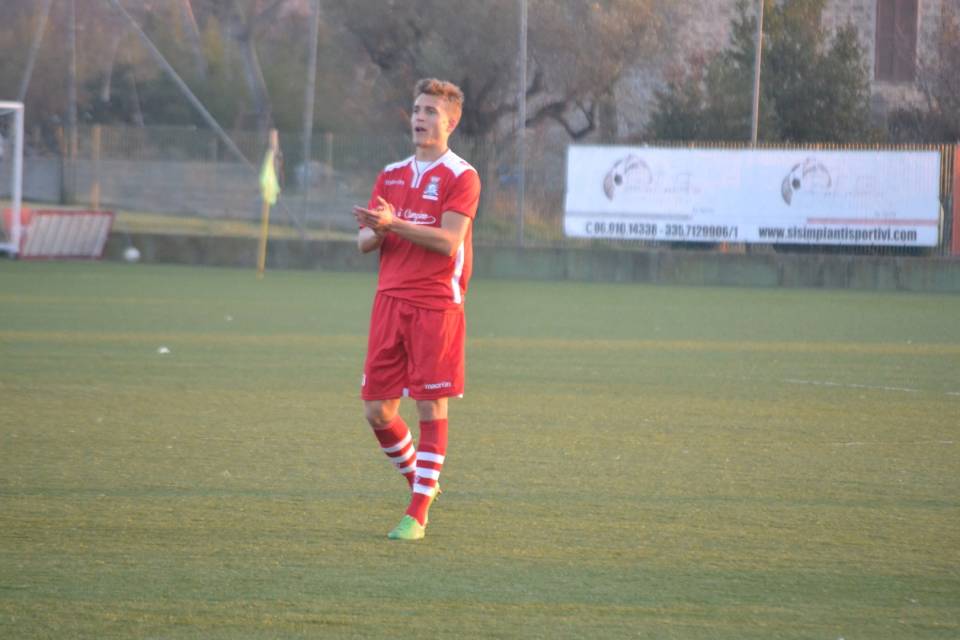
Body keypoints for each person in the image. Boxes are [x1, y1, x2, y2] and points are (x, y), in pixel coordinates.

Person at [353, 78, 481, 541]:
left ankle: (418, 512)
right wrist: (377, 229)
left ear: (451, 121)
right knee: (377, 411)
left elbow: (449, 242)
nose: (420, 117)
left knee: (430, 407)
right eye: (416, 109)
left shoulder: (462, 176)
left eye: (430, 110)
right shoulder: (390, 174)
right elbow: (365, 242)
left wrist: (394, 224)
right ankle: (422, 480)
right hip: (389, 301)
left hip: (435, 305)